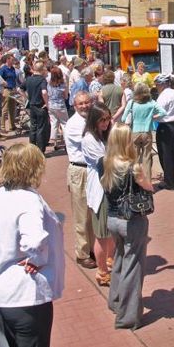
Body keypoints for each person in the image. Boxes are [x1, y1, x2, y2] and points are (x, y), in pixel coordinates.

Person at [0, 143, 65, 347]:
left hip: (4, 294)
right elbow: (35, 239)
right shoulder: (28, 200)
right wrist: (38, 259)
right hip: (25, 297)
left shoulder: (2, 194)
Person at [101, 123, 154, 330]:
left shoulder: (105, 162)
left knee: (120, 259)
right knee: (133, 266)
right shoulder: (133, 166)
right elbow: (149, 187)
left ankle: (115, 301)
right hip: (131, 220)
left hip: (112, 219)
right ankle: (127, 316)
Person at [63, 91, 97, 269]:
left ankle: (93, 248)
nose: (84, 106)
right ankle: (82, 253)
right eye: (81, 104)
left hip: (92, 170)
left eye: (87, 102)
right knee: (82, 215)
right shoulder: (74, 124)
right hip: (80, 170)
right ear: (75, 106)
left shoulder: (91, 118)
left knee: (93, 212)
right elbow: (91, 143)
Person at [82, 102, 114, 286]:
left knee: (111, 232)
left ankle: (110, 261)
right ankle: (101, 272)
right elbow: (104, 161)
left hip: (110, 188)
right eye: (102, 120)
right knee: (101, 235)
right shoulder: (89, 139)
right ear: (94, 121)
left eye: (108, 119)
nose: (106, 123)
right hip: (100, 191)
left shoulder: (105, 135)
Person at [121, 82, 166, 180]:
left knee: (135, 159)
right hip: (147, 132)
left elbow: (124, 118)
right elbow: (163, 112)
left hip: (135, 132)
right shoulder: (151, 102)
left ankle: (136, 182)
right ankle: (147, 183)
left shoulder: (132, 103)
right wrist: (152, 118)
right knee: (147, 158)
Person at [155, 73, 174, 190]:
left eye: (157, 85)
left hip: (165, 127)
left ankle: (170, 182)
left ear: (161, 85)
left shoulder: (162, 96)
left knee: (165, 154)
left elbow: (157, 112)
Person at [21, 61, 50, 153]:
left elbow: (20, 89)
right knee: (41, 128)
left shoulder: (29, 79)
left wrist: (27, 98)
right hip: (40, 106)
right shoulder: (42, 80)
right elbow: (44, 92)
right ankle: (41, 150)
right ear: (42, 70)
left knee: (33, 127)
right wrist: (47, 103)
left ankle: (32, 148)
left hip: (32, 105)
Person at [47, 66, 69, 150]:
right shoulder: (62, 84)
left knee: (54, 123)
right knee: (64, 124)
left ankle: (54, 141)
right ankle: (67, 141)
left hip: (51, 105)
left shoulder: (49, 83)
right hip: (60, 105)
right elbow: (66, 96)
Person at [0, 54, 17, 134]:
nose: (13, 61)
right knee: (5, 109)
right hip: (6, 90)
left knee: (12, 108)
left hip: (13, 89)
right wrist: (3, 84)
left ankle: (12, 125)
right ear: (7, 60)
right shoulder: (3, 69)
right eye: (12, 59)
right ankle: (2, 126)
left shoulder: (13, 68)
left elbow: (14, 78)